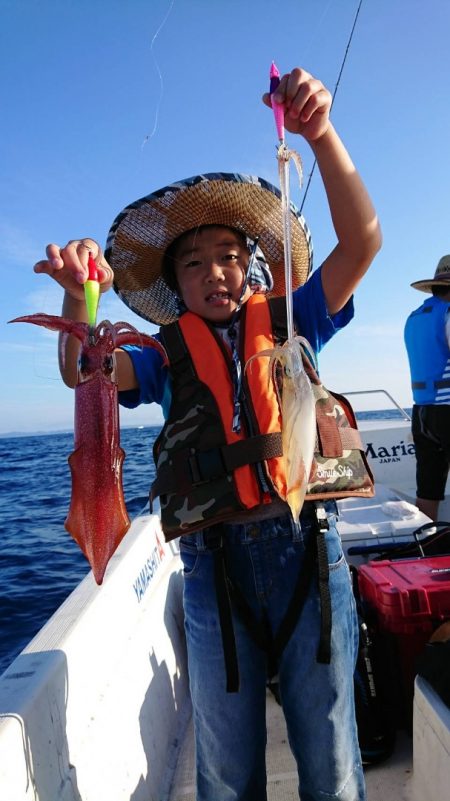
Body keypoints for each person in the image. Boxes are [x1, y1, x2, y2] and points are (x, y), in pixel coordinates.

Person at [34, 67, 381, 801]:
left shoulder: (294, 318)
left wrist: (318, 133)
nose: (214, 273)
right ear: (174, 288)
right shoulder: (162, 352)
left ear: (253, 267)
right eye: (193, 263)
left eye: (228, 256)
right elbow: (88, 375)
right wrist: (77, 303)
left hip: (309, 554)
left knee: (334, 761)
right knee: (225, 773)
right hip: (212, 568)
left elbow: (363, 242)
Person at [404, 256, 450, 521]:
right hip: (447, 411)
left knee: (428, 493)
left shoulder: (415, 317)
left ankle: (427, 548)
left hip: (422, 414)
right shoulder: (447, 313)